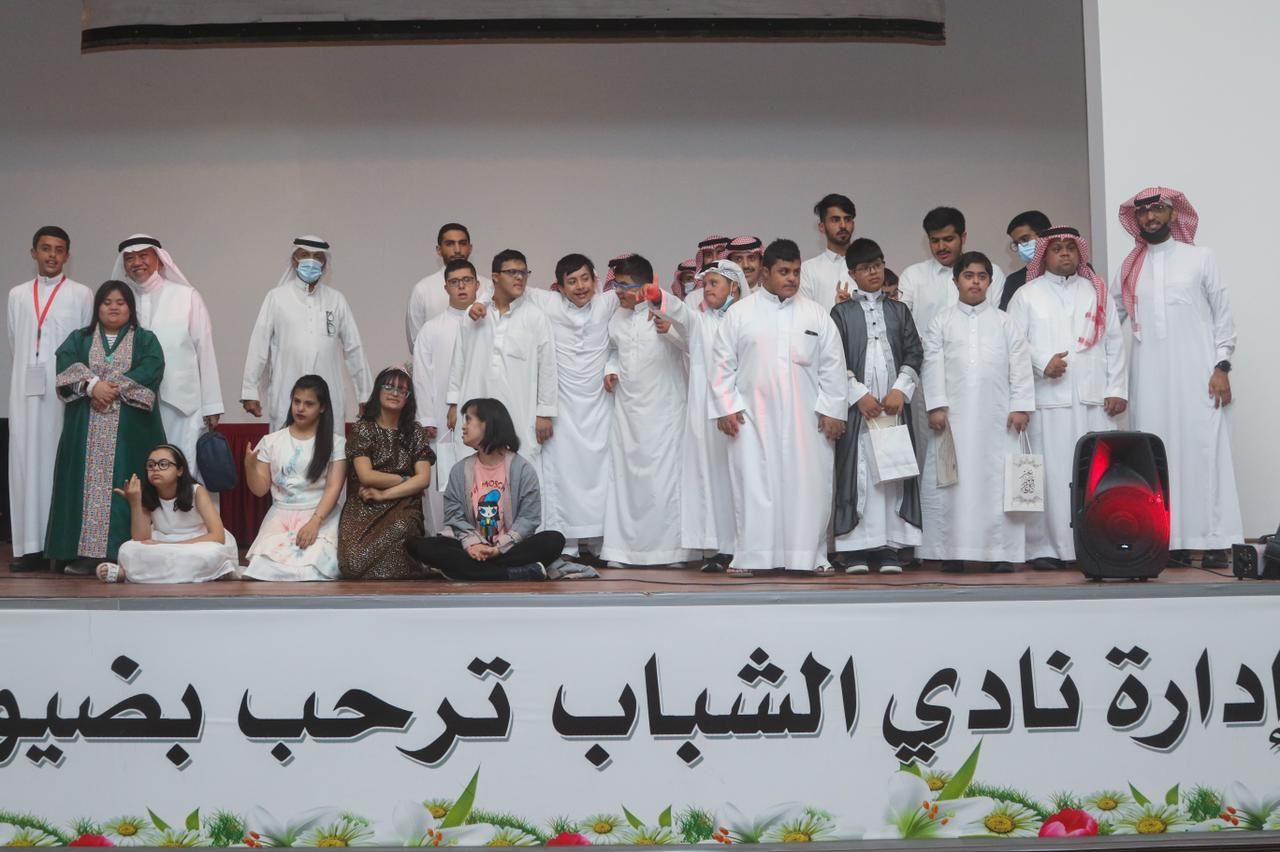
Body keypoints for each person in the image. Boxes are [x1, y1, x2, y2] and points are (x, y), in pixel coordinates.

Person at [1112, 187, 1242, 567]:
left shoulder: (1200, 258)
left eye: (1158, 210)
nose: (1150, 218)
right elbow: (1110, 321)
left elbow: (1223, 316)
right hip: (1149, 381)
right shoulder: (1131, 267)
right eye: (1143, 213)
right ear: (1136, 219)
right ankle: (1173, 541)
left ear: (1172, 214)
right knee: (1158, 456)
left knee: (1205, 453)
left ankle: (1216, 541)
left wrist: (1222, 366)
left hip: (1199, 376)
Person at [711, 238, 847, 574]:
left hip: (808, 421)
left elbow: (833, 366)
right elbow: (722, 365)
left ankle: (809, 557)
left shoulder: (816, 314)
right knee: (754, 487)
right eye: (784, 272)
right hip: (751, 420)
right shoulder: (740, 314)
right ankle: (752, 558)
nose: (792, 278)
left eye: (796, 272)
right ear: (765, 274)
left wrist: (833, 411)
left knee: (809, 488)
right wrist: (725, 407)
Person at [1007, 226, 1127, 569]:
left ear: (1079, 253)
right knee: (1049, 476)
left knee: (1093, 475)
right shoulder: (1026, 295)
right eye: (1056, 248)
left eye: (1070, 248)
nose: (1064, 253)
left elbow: (1114, 343)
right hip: (1048, 402)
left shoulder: (1096, 293)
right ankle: (1044, 548)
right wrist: (1043, 361)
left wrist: (1116, 389)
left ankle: (1092, 545)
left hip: (1093, 402)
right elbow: (1013, 343)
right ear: (1044, 254)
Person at [921, 251, 1036, 573]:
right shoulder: (941, 322)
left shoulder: (1005, 322)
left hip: (998, 420)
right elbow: (932, 366)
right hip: (953, 419)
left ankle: (1001, 552)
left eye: (982, 276)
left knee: (997, 481)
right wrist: (936, 406)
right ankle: (953, 551)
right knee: (952, 483)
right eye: (968, 276)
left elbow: (1020, 365)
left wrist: (1021, 406)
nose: (975, 282)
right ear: (955, 280)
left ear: (990, 281)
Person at [45, 281, 166, 575]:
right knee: (81, 485)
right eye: (107, 302)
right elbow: (65, 365)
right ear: (97, 307)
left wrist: (109, 388)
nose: (113, 307)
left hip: (130, 433)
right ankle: (81, 553)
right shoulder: (80, 338)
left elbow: (152, 367)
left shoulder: (145, 340)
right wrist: (91, 386)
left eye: (120, 302)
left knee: (127, 484)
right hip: (84, 429)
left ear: (130, 308)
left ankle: (123, 551)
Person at [830, 239, 924, 574]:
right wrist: (858, 395)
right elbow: (833, 359)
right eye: (865, 268)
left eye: (878, 265)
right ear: (852, 273)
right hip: (859, 409)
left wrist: (900, 390)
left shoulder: (899, 311)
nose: (873, 272)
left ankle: (889, 547)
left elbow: (914, 352)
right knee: (860, 472)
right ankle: (856, 547)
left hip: (893, 407)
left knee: (892, 473)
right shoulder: (841, 313)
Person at [518, 254, 617, 561]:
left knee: (602, 473)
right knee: (562, 475)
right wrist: (480, 304)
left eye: (585, 279)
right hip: (562, 409)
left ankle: (601, 542)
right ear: (559, 287)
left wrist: (612, 366)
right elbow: (508, 287)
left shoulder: (607, 303)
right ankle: (567, 543)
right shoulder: (549, 303)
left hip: (600, 406)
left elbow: (635, 299)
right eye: (572, 281)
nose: (580, 286)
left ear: (595, 280)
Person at [7, 226, 93, 572]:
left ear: (67, 256)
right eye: (45, 248)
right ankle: (28, 547)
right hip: (25, 392)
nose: (52, 255)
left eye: (59, 249)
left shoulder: (82, 294)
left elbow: (85, 345)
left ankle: (62, 545)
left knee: (60, 461)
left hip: (63, 393)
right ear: (33, 253)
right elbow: (15, 340)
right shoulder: (16, 295)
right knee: (24, 462)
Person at [600, 254, 695, 567]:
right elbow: (614, 351)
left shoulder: (664, 311)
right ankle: (621, 551)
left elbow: (694, 343)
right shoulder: (617, 318)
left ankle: (671, 552)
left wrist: (670, 329)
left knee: (664, 482)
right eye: (616, 285)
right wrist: (611, 369)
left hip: (664, 414)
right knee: (627, 481)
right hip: (628, 415)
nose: (618, 292)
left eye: (624, 286)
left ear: (644, 287)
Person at [406, 398, 564, 580]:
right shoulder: (459, 470)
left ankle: (476, 571)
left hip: (510, 548)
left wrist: (499, 548)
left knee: (554, 539)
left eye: (468, 419)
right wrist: (473, 544)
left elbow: (529, 519)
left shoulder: (522, 469)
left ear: (487, 424)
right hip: (470, 548)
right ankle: (512, 573)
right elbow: (454, 516)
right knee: (419, 545)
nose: (463, 426)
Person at [112, 235, 223, 484]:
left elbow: (205, 349)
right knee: (141, 473)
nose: (137, 262)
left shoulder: (186, 296)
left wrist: (212, 404)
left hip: (182, 406)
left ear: (160, 260)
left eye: (143, 256)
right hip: (133, 406)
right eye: (130, 258)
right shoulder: (120, 303)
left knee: (182, 472)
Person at [240, 235, 372, 430]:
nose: (311, 261)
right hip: (287, 395)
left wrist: (365, 394)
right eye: (304, 255)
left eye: (317, 256)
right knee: (284, 447)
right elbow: (258, 346)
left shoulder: (336, 300)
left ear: (324, 263)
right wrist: (249, 390)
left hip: (328, 398)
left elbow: (354, 349)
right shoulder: (276, 298)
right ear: (294, 260)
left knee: (329, 447)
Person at [661, 259, 744, 571]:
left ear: (733, 287)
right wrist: (658, 297)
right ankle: (720, 549)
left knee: (741, 479)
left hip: (740, 415)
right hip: (707, 417)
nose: (706, 289)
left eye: (714, 283)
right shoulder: (700, 321)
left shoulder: (747, 320)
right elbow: (680, 314)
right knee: (713, 479)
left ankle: (746, 546)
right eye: (705, 283)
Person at [446, 249, 558, 473]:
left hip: (519, 408)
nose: (519, 277)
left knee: (519, 471)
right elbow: (459, 360)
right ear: (495, 277)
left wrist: (545, 413)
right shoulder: (474, 315)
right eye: (512, 272)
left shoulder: (535, 317)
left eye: (524, 272)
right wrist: (453, 403)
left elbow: (547, 366)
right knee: (471, 472)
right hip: (475, 402)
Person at [242, 375, 348, 581]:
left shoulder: (336, 444)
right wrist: (249, 467)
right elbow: (260, 489)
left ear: (322, 407)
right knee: (263, 567)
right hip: (280, 515)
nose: (300, 408)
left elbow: (334, 488)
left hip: (321, 515)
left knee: (314, 566)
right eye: (296, 401)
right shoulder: (271, 441)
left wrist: (315, 522)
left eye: (309, 404)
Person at [338, 365, 435, 579]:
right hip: (364, 503)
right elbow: (367, 476)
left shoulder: (415, 432)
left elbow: (424, 479)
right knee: (352, 564)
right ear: (378, 391)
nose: (394, 393)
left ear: (408, 398)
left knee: (401, 527)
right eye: (389, 387)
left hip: (403, 503)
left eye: (402, 390)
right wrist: (405, 478)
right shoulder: (363, 429)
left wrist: (384, 493)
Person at [96, 444, 239, 583]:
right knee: (128, 548)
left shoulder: (197, 491)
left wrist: (171, 545)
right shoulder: (147, 494)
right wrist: (135, 502)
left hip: (198, 542)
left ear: (180, 470)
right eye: (151, 465)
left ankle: (130, 574)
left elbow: (218, 536)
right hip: (161, 540)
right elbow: (141, 538)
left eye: (163, 464)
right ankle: (137, 574)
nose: (155, 468)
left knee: (211, 553)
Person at [412, 258, 479, 533]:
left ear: (477, 284)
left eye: (467, 280)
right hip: (443, 421)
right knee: (444, 481)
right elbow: (421, 377)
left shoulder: (488, 324)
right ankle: (442, 538)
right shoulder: (432, 329)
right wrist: (427, 417)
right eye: (454, 282)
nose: (461, 287)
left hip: (483, 420)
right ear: (446, 287)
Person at [405, 222, 494, 349]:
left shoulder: (489, 287)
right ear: (439, 250)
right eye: (450, 244)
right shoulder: (423, 289)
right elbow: (416, 344)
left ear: (470, 248)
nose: (457, 250)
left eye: (462, 243)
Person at [800, 193, 856, 309]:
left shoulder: (868, 267)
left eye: (847, 219)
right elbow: (805, 313)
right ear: (821, 226)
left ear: (853, 224)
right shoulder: (808, 270)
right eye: (835, 220)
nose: (843, 225)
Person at [999, 210, 1051, 310]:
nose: (1021, 247)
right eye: (1016, 243)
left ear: (1045, 236)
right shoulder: (1014, 281)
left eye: (1025, 239)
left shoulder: (1071, 272)